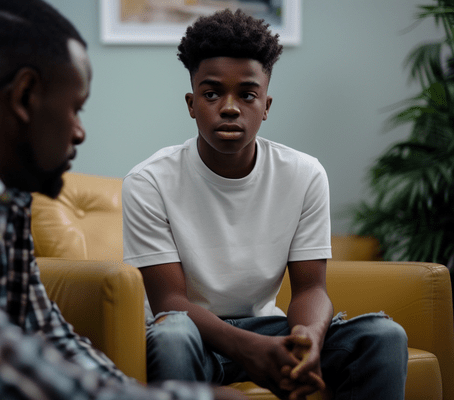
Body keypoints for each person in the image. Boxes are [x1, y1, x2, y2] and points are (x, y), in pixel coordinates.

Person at [0, 1, 248, 399]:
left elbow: (47, 334)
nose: (79, 133)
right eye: (75, 108)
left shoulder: (6, 195)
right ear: (25, 95)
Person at [122, 9, 409, 400]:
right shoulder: (149, 181)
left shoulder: (304, 174)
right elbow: (170, 302)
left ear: (266, 106)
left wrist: (307, 337)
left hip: (267, 330)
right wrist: (246, 349)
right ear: (191, 104)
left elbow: (310, 289)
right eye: (211, 93)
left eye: (247, 94)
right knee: (171, 333)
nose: (229, 107)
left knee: (382, 335)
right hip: (191, 337)